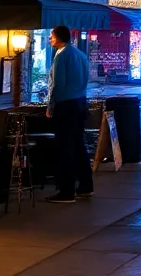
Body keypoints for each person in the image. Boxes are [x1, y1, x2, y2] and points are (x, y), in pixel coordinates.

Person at [46, 25, 94, 204]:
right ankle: (86, 185)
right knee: (78, 145)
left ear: (58, 37)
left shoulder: (62, 55)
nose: (50, 39)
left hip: (65, 105)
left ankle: (66, 191)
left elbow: (58, 83)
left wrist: (51, 105)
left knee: (65, 147)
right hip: (80, 103)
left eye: (51, 36)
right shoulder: (81, 55)